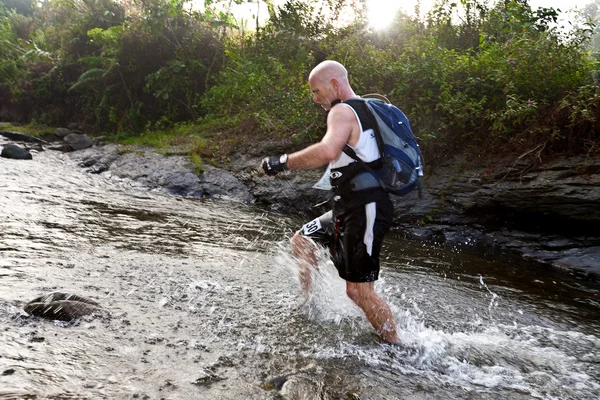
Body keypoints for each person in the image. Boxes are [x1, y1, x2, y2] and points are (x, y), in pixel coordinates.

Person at [259, 60, 399, 344]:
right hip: (349, 207)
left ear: (334, 84)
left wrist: (281, 163)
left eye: (317, 91)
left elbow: (327, 150)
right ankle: (309, 305)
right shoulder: (367, 109)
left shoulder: (343, 110)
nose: (315, 99)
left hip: (366, 208)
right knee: (302, 241)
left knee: (359, 292)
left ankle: (397, 346)